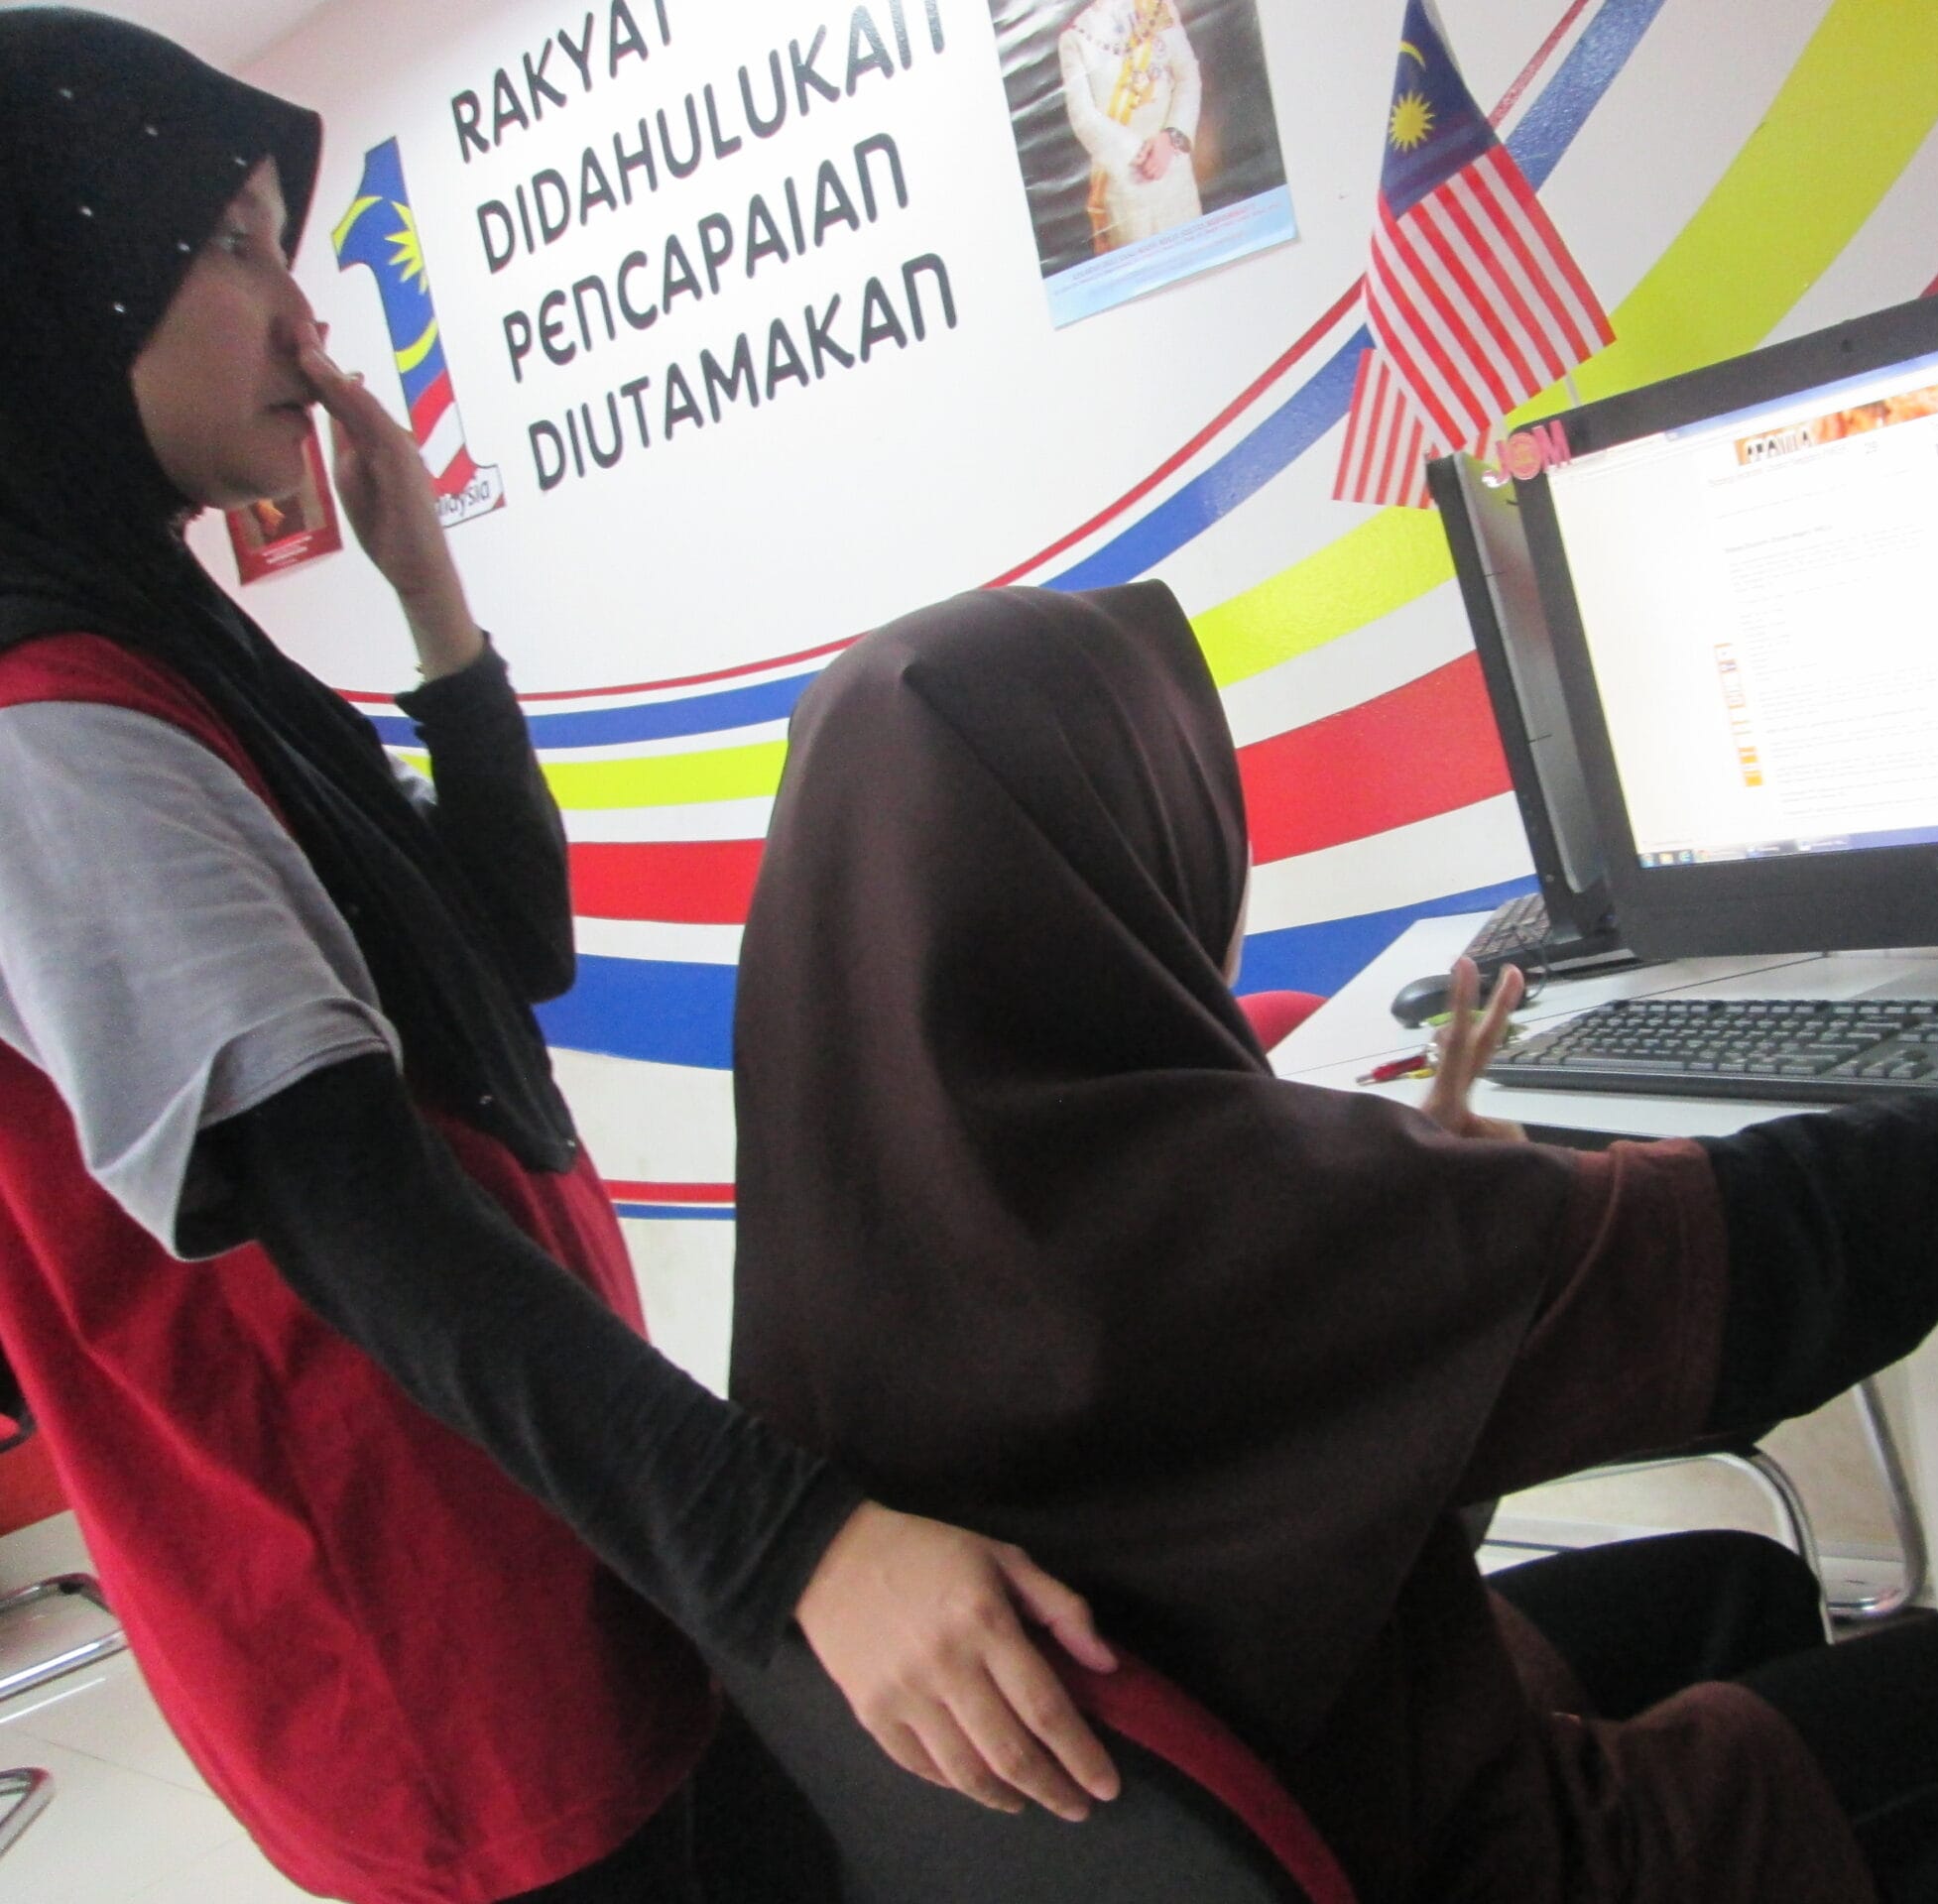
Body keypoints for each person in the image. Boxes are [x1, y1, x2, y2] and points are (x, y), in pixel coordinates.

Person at [729, 580, 1938, 1904]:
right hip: (1427, 1857)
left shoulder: (837, 1218)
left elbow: (1303, 1455)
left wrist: (1435, 1214)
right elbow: (1795, 1249)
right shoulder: (1251, 1209)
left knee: (1742, 1586)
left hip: (1216, 1800)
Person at [0, 14, 1119, 1901]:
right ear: (58, 290)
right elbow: (361, 1218)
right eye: (231, 246)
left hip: (551, 1507)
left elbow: (509, 944)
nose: (303, 322)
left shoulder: (166, 651)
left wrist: (431, 597)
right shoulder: (50, 728)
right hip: (427, 1637)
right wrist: (797, 1550)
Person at [1059, 0, 1204, 253]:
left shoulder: (1158, 7)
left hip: (1173, 168)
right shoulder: (1075, 36)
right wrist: (1137, 152)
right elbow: (1082, 115)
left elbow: (1187, 75)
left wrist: (1170, 138)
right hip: (1125, 182)